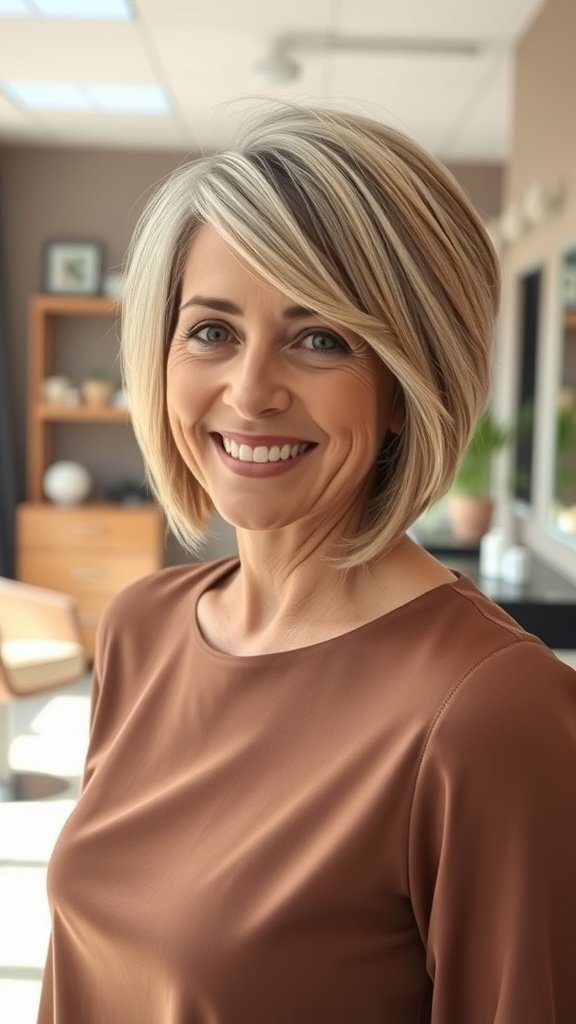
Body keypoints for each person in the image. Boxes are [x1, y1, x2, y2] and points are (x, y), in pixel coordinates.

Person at [38, 104, 576, 1024]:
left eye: (319, 337)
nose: (249, 391)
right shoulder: (145, 627)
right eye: (211, 330)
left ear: (409, 384)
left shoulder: (490, 713)